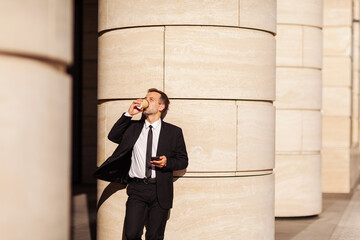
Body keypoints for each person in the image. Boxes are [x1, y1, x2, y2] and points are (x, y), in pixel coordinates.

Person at [94, 88, 188, 240]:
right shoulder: (133, 128)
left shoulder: (173, 132)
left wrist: (167, 162)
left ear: (161, 106)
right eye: (146, 97)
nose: (145, 100)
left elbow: (183, 160)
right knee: (131, 234)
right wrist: (129, 114)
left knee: (154, 236)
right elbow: (113, 135)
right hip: (137, 189)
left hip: (160, 190)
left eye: (151, 99)